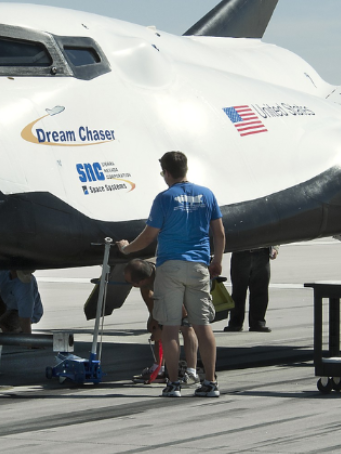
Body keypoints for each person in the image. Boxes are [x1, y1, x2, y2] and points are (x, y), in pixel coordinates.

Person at [118, 151, 225, 398]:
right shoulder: (207, 194)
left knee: (170, 328)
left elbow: (148, 235)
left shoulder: (164, 198)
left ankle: (174, 383)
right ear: (186, 169)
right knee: (202, 326)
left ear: (166, 172)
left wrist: (126, 248)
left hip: (170, 267)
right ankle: (209, 381)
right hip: (199, 266)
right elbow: (219, 233)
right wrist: (217, 261)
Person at [124, 259, 200, 386]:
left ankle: (191, 371)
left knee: (186, 326)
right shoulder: (146, 276)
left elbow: (183, 312)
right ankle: (160, 368)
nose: (130, 285)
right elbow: (148, 295)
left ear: (141, 281)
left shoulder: (164, 280)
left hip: (188, 292)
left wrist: (161, 327)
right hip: (170, 295)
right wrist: (154, 317)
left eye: (131, 283)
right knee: (161, 326)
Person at [225, 246, 279, 333]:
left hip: (262, 252)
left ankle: (258, 322)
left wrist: (275, 247)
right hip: (240, 252)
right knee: (238, 290)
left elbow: (274, 232)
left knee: (260, 290)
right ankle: (235, 323)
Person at [0, 270, 43, 334]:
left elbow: (25, 319)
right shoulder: (4, 270)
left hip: (26, 312)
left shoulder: (25, 286)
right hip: (8, 303)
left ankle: (14, 334)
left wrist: (27, 340)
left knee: (3, 324)